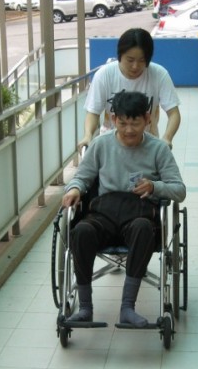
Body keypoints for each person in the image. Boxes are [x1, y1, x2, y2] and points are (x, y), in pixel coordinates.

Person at [62, 91, 186, 327]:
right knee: (81, 231)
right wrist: (75, 189)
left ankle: (127, 308)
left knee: (143, 229)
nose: (129, 130)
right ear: (113, 119)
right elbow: (82, 177)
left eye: (135, 123)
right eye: (123, 123)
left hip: (139, 215)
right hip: (103, 214)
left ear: (147, 119)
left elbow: (179, 190)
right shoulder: (100, 145)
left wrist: (155, 186)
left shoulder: (158, 149)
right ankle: (85, 307)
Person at [79, 28, 181, 150]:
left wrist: (167, 138)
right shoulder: (104, 75)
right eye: (130, 60)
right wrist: (88, 135)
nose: (135, 66)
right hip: (111, 146)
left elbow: (173, 113)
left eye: (142, 60)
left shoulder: (159, 74)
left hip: (147, 146)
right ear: (120, 56)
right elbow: (93, 112)